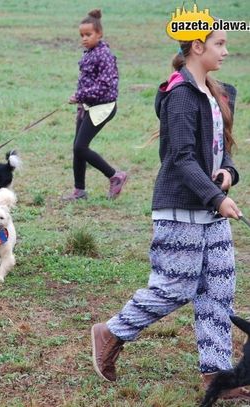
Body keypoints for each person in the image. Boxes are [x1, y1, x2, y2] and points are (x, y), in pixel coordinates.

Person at [91, 29, 250, 401]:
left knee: (219, 288)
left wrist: (227, 174)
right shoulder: (179, 95)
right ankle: (111, 332)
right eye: (219, 45)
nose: (226, 51)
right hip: (180, 209)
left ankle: (216, 374)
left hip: (210, 209)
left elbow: (220, 148)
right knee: (175, 286)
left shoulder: (217, 92)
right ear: (197, 47)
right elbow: (179, 159)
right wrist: (215, 197)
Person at [62, 9, 127, 202]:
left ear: (99, 34)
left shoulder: (104, 55)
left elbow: (104, 85)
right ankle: (79, 190)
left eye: (88, 35)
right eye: (81, 35)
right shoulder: (89, 53)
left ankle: (115, 175)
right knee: (77, 147)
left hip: (103, 107)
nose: (84, 38)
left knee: (81, 147)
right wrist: (80, 99)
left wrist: (80, 95)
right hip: (88, 106)